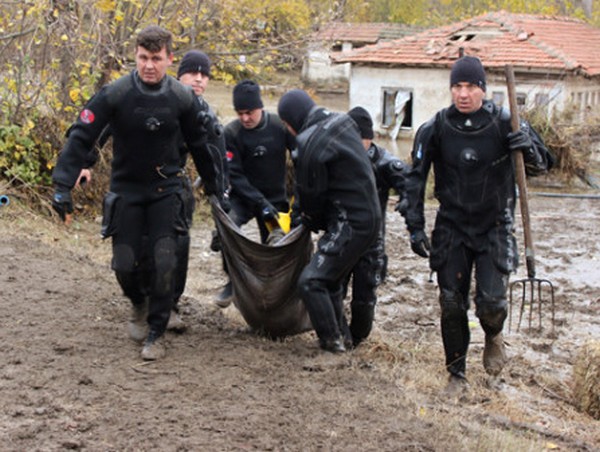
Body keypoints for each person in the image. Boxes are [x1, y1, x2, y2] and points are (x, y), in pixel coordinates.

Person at [51, 25, 225, 361]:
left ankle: (156, 333)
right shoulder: (116, 94)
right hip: (126, 189)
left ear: (169, 59)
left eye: (156, 59)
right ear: (135, 56)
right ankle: (138, 303)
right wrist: (62, 185)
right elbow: (82, 135)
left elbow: (202, 146)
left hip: (166, 190)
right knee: (124, 264)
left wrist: (217, 191)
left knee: (164, 259)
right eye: (143, 58)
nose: (149, 65)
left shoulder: (181, 98)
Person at [404, 55, 553, 392]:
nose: (463, 93)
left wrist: (527, 148)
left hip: (494, 226)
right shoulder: (436, 128)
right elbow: (414, 180)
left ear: (483, 89)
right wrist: (414, 225)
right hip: (452, 225)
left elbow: (544, 166)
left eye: (470, 86)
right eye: (457, 86)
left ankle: (494, 334)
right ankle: (456, 374)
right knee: (452, 302)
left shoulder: (507, 123)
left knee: (491, 303)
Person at [277, 89, 382, 353]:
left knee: (311, 281)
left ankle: (332, 346)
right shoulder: (342, 121)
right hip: (370, 218)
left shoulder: (310, 142)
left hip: (351, 223)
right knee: (331, 280)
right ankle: (344, 339)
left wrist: (307, 220)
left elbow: (312, 196)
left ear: (290, 122)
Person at [214, 79, 295, 307]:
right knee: (227, 226)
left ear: (260, 107)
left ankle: (271, 294)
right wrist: (259, 202)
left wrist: (298, 197)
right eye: (240, 113)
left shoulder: (279, 127)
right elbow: (235, 175)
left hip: (275, 199)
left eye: (249, 113)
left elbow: (301, 156)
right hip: (244, 198)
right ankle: (233, 281)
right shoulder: (232, 132)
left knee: (277, 245)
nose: (245, 118)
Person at [344, 106, 407, 347]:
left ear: (369, 138)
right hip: (341, 236)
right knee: (329, 289)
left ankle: (358, 337)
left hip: (371, 241)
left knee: (364, 296)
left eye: (358, 139)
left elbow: (409, 182)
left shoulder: (384, 162)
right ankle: (338, 333)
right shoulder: (338, 158)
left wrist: (408, 201)